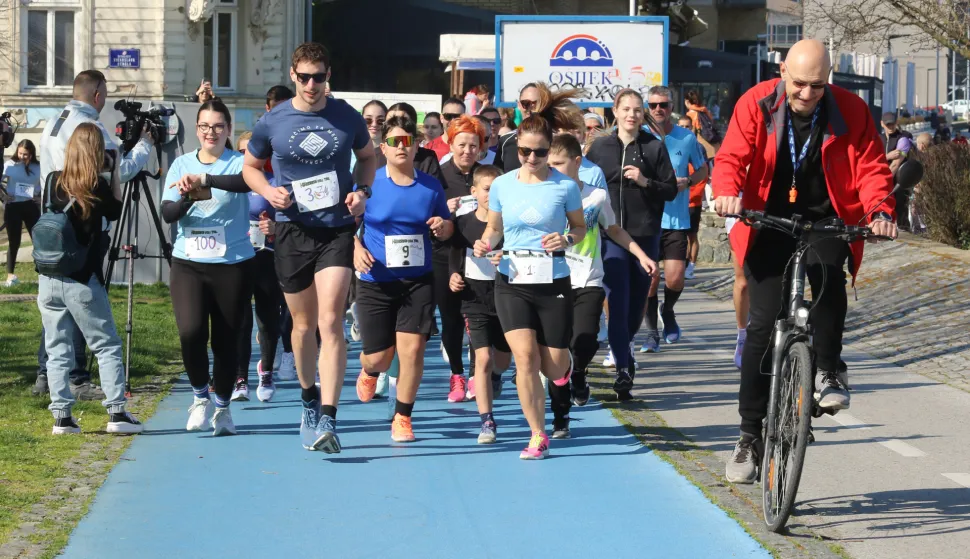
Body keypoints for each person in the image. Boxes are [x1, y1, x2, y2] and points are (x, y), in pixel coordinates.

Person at [713, 39, 896, 484]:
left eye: (817, 85)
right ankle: (748, 435)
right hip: (766, 217)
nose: (807, 94)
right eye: (799, 84)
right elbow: (732, 156)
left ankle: (829, 369)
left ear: (828, 78)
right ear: (782, 72)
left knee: (830, 280)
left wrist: (881, 211)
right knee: (761, 326)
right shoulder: (756, 103)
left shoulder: (850, 109)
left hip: (827, 217)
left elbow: (871, 167)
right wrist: (726, 193)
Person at [243, 42, 373, 453]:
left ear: (328, 74)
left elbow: (367, 157)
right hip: (291, 229)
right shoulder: (273, 120)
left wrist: (362, 191)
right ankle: (308, 398)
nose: (312, 84)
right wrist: (269, 191)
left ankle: (331, 418)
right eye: (304, 77)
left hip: (335, 228)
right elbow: (250, 167)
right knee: (302, 325)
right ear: (293, 76)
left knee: (331, 321)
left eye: (319, 76)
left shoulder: (346, 116)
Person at [474, 83, 588, 459]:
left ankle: (565, 373)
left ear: (550, 148)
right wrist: (485, 244)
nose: (532, 158)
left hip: (553, 280)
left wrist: (566, 241)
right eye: (525, 151)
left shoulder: (565, 187)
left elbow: (580, 229)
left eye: (540, 152)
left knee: (553, 366)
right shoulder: (504, 186)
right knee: (525, 358)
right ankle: (537, 434)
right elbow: (494, 228)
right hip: (512, 280)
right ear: (517, 147)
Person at [35, 69, 154, 401]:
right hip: (84, 224)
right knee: (79, 303)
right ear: (98, 95)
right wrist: (144, 147)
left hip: (53, 215)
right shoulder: (91, 128)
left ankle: (47, 373)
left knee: (55, 306)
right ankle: (80, 378)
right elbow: (119, 172)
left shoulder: (54, 121)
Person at [36, 122, 144, 435]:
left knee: (57, 348)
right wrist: (114, 177)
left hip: (48, 276)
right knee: (106, 345)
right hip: (82, 280)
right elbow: (115, 211)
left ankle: (62, 418)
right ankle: (117, 413)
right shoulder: (96, 185)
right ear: (96, 152)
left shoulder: (53, 182)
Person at [352, 115, 453, 442]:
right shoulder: (370, 185)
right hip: (376, 281)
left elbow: (448, 226)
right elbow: (344, 226)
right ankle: (369, 369)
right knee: (381, 356)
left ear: (416, 146)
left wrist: (442, 226)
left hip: (417, 281)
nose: (401, 147)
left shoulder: (430, 186)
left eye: (407, 142)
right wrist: (355, 247)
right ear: (383, 147)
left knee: (412, 351)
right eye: (394, 141)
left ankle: (403, 416)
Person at [548, 134, 657, 433]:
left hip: (588, 278)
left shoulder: (596, 196)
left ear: (577, 163)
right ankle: (561, 417)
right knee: (557, 350)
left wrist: (641, 254)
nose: (553, 168)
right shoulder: (542, 195)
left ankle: (580, 371)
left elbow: (614, 229)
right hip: (551, 280)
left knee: (585, 338)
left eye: (559, 163)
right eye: (550, 164)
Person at [161, 100, 254, 436]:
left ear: (228, 129)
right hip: (189, 263)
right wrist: (188, 194)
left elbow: (247, 183)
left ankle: (223, 408)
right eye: (204, 126)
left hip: (232, 263)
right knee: (191, 332)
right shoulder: (181, 164)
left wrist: (208, 179)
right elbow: (168, 213)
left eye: (217, 126)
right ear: (197, 129)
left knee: (226, 341)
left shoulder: (240, 162)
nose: (211, 132)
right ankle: (200, 396)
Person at [586, 89, 677, 399]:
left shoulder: (654, 147)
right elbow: (582, 181)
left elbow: (669, 190)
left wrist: (644, 181)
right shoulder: (600, 147)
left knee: (637, 303)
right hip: (610, 235)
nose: (632, 115)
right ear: (615, 111)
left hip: (646, 233)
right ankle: (623, 366)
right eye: (626, 109)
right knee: (617, 302)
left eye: (637, 110)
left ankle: (625, 346)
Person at [640, 86, 708, 352]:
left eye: (664, 105)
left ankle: (667, 311)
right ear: (648, 107)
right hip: (647, 220)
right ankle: (652, 333)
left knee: (675, 278)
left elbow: (703, 170)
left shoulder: (686, 138)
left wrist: (689, 181)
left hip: (676, 220)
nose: (659, 109)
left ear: (672, 106)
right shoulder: (641, 138)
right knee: (649, 279)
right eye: (654, 105)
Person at [448, 165, 512, 442]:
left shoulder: (510, 222)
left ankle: (497, 376)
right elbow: (454, 251)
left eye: (496, 189)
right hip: (474, 298)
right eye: (486, 189)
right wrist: (454, 274)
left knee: (502, 360)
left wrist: (506, 259)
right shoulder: (464, 222)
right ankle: (487, 421)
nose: (491, 195)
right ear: (474, 192)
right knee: (482, 358)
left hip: (507, 296)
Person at [434, 115, 487, 401]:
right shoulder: (437, 177)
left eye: (474, 145)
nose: (467, 151)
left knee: (481, 318)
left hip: (479, 257)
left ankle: (480, 373)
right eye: (462, 144)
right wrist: (444, 209)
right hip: (444, 258)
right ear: (450, 144)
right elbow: (426, 217)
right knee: (451, 318)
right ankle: (457, 374)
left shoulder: (490, 175)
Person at [231, 131, 280, 403]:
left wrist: (276, 227)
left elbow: (292, 220)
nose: (245, 157)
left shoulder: (273, 182)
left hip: (267, 255)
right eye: (241, 152)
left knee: (267, 319)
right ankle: (240, 377)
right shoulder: (232, 183)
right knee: (240, 318)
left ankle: (267, 371)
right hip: (238, 256)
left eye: (251, 152)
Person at [3, 140, 42, 287]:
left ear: (31, 154)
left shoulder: (38, 167)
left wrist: (39, 197)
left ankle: (42, 273)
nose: (22, 157)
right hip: (13, 207)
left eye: (25, 154)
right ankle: (10, 275)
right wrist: (4, 197)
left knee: (37, 241)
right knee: (14, 242)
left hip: (31, 207)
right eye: (20, 153)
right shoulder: (10, 165)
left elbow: (44, 184)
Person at [681, 115, 707, 280]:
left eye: (687, 126)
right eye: (681, 126)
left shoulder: (698, 148)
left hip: (692, 201)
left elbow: (702, 174)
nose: (684, 129)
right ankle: (681, 265)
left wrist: (693, 194)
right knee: (679, 236)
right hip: (677, 201)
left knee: (692, 235)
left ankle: (691, 266)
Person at [493, 83, 541, 172]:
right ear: (519, 105)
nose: (531, 108)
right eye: (526, 103)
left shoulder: (555, 139)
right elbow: (497, 176)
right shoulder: (506, 141)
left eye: (536, 104)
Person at [881, 112, 914, 230]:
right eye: (887, 124)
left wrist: (883, 182)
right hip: (883, 181)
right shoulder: (878, 139)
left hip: (899, 182)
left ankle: (905, 233)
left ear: (897, 123)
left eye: (892, 124)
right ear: (882, 124)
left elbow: (896, 164)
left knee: (901, 212)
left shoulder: (903, 139)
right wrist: (887, 156)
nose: (890, 127)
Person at [685, 90, 720, 161]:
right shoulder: (705, 112)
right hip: (715, 147)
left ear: (687, 102)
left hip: (703, 150)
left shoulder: (690, 114)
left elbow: (691, 133)